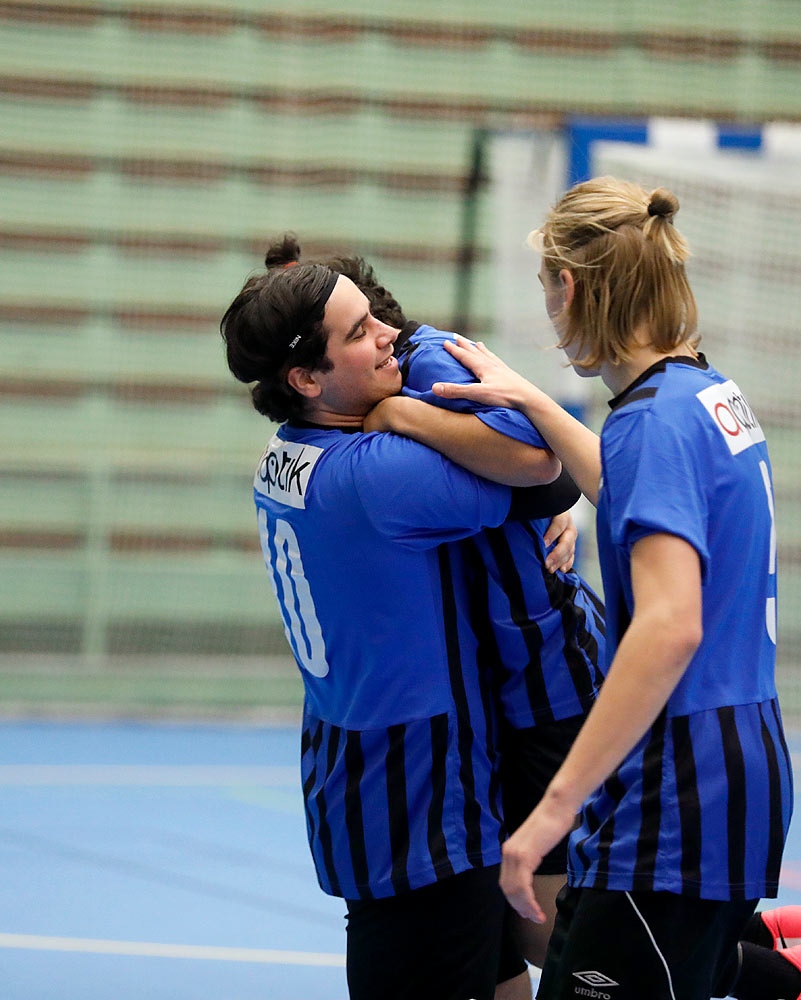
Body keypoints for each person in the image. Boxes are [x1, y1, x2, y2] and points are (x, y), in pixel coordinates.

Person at [428, 178, 801, 1000]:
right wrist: (536, 404)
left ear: (570, 288)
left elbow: (668, 626)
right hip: (740, 761)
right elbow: (632, 491)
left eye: (546, 289)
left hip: (675, 793)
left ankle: (786, 981)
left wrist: (553, 810)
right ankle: (791, 979)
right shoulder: (703, 393)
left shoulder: (649, 423)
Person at [221, 248, 578, 1000]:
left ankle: (754, 961)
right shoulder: (376, 475)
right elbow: (544, 466)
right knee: (518, 941)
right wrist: (409, 405)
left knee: (512, 954)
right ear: (307, 379)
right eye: (360, 332)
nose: (389, 334)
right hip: (419, 784)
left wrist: (389, 391)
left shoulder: (287, 454)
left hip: (353, 765)